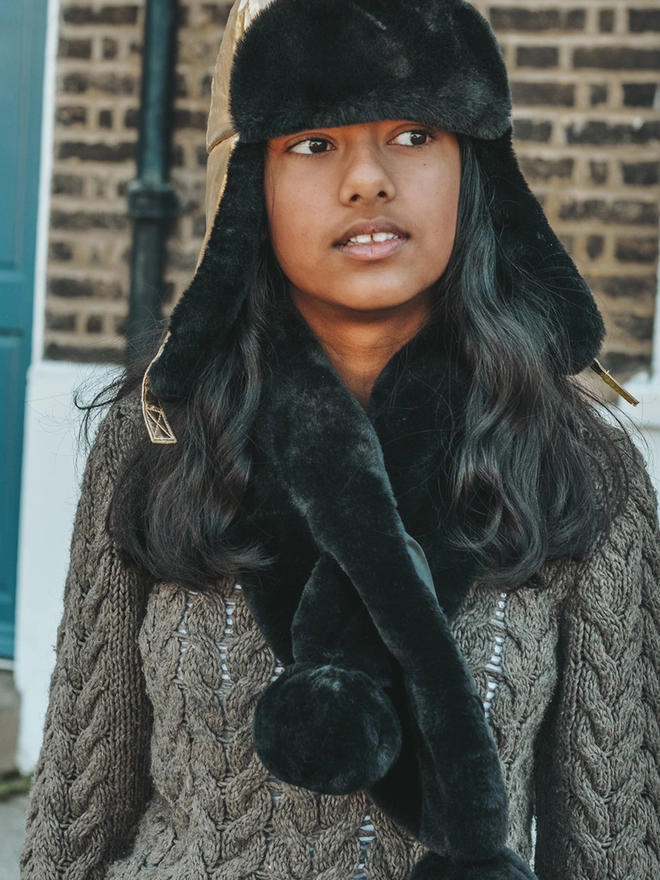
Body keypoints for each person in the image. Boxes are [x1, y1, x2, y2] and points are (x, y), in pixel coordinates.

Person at [20, 0, 660, 878]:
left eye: (413, 134)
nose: (367, 178)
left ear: (473, 169)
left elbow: (616, 846)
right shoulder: (161, 440)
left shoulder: (578, 467)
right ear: (254, 186)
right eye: (314, 143)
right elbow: (71, 828)